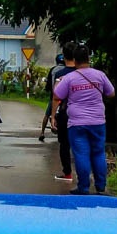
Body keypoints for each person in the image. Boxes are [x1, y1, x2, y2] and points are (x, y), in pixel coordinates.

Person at [51, 48, 114, 194]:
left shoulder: (69, 78)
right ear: (88, 59)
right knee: (98, 153)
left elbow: (57, 95)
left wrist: (57, 85)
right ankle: (100, 187)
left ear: (75, 60)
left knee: (81, 154)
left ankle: (83, 187)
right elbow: (111, 93)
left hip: (77, 123)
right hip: (98, 121)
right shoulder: (100, 75)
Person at [43, 52, 75, 182]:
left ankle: (67, 173)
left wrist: (52, 116)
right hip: (86, 115)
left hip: (64, 110)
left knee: (64, 144)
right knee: (82, 146)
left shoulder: (58, 72)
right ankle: (89, 179)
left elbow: (55, 96)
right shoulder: (85, 73)